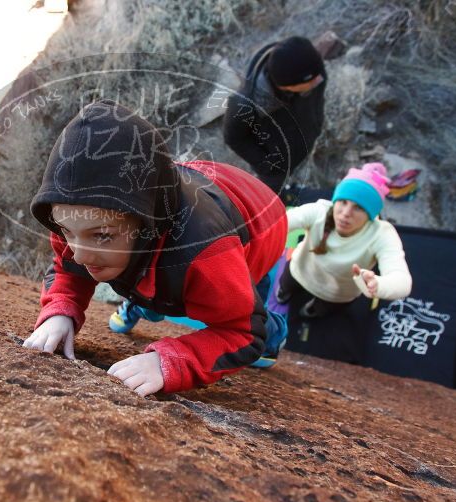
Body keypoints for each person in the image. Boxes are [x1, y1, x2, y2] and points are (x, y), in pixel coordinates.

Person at [23, 100, 288, 396]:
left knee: (240, 303)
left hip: (263, 220)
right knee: (145, 273)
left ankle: (276, 329)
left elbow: (243, 332)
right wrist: (61, 310)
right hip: (182, 185)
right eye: (67, 232)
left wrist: (170, 361)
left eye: (102, 236)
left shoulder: (209, 253)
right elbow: (67, 267)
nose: (79, 253)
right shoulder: (77, 214)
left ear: (146, 224)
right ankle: (143, 296)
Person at [275, 162, 412, 318]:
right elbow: (277, 223)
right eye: (343, 202)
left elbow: (401, 281)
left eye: (358, 207)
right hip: (300, 272)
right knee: (286, 287)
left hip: (336, 295)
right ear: (335, 200)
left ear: (371, 214)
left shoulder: (382, 234)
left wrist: (379, 285)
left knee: (320, 310)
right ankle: (285, 295)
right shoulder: (319, 211)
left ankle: (309, 311)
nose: (346, 213)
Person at [223, 36, 326, 195]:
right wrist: (268, 165)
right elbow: (234, 138)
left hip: (304, 143)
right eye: (311, 82)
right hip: (276, 169)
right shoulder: (244, 104)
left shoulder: (310, 68)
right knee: (269, 201)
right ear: (288, 86)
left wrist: (316, 124)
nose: (320, 80)